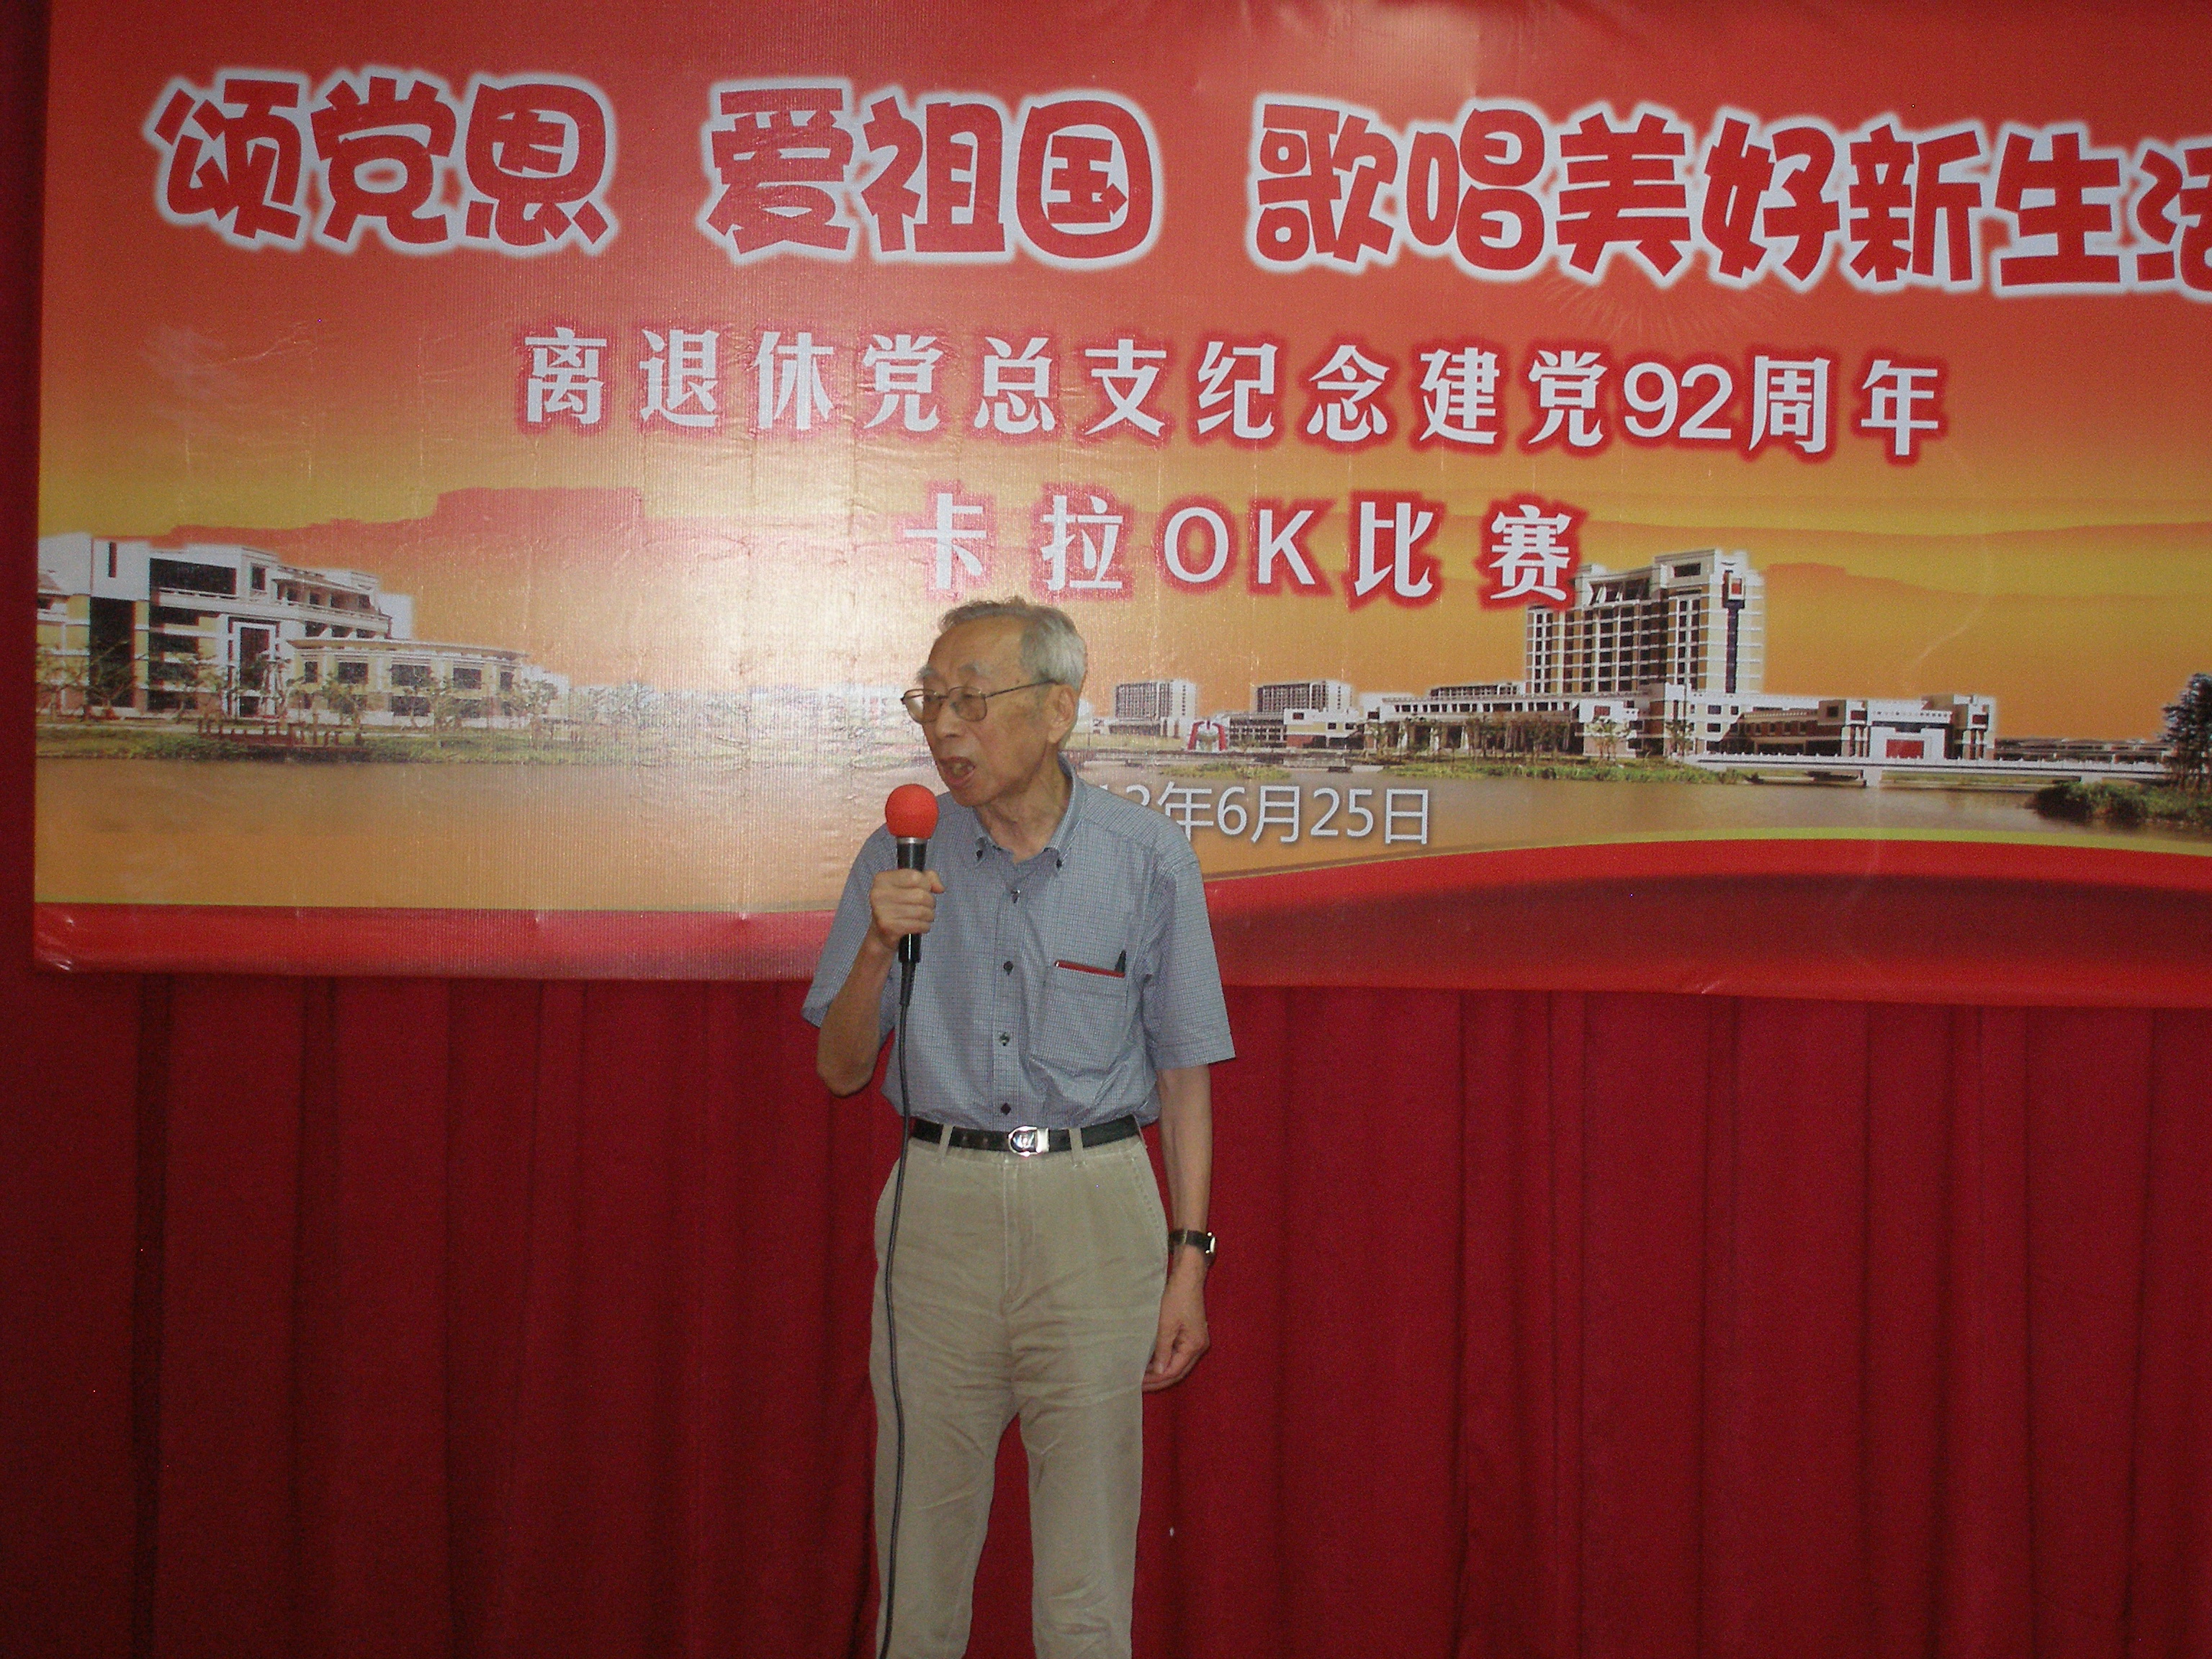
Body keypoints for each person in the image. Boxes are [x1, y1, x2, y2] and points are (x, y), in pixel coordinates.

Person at [804, 597, 1233, 1659]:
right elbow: (841, 1069)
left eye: (971, 700)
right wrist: (876, 948)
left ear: (1057, 710)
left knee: (1087, 1576)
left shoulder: (1147, 858)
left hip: (1095, 1208)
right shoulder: (899, 852)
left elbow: (1184, 1075)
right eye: (930, 702)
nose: (945, 728)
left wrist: (1189, 1259)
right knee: (918, 1558)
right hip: (939, 1207)